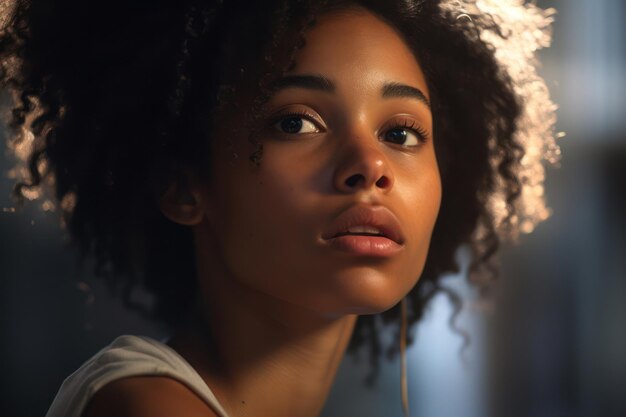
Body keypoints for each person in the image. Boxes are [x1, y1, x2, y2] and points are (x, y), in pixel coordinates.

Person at [0, 0, 559, 416]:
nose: (371, 164)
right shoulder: (145, 407)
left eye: (402, 132)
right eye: (296, 122)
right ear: (184, 185)